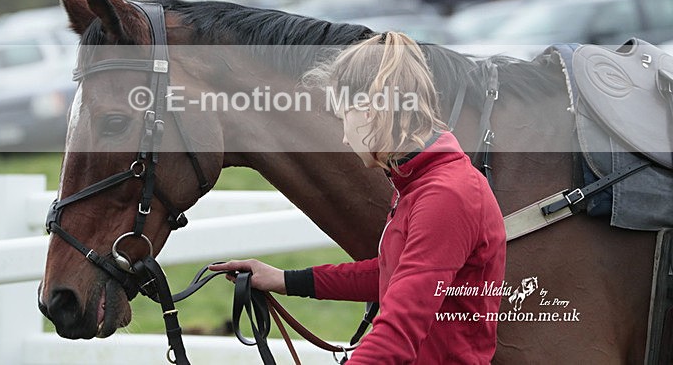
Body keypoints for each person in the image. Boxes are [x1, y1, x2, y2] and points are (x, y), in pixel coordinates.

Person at [210, 32, 507, 364]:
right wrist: (284, 279)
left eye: (343, 118)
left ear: (370, 110)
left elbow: (399, 330)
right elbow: (392, 275)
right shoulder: (421, 183)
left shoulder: (446, 195)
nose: (344, 137)